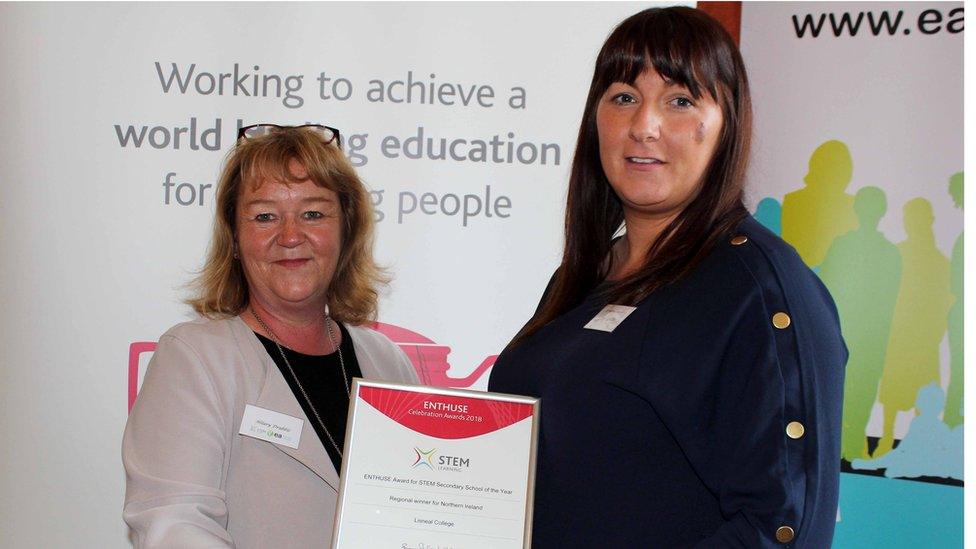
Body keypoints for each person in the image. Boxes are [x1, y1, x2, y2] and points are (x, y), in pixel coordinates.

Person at [488, 7, 847, 548]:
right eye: (623, 97)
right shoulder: (584, 276)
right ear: (596, 119)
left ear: (727, 125)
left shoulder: (761, 288)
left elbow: (781, 529)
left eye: (680, 101)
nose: (644, 126)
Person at [122, 124, 418, 548]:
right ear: (236, 240)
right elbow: (174, 523)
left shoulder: (388, 362)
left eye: (313, 213)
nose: (291, 236)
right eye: (264, 216)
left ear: (346, 230)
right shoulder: (193, 359)